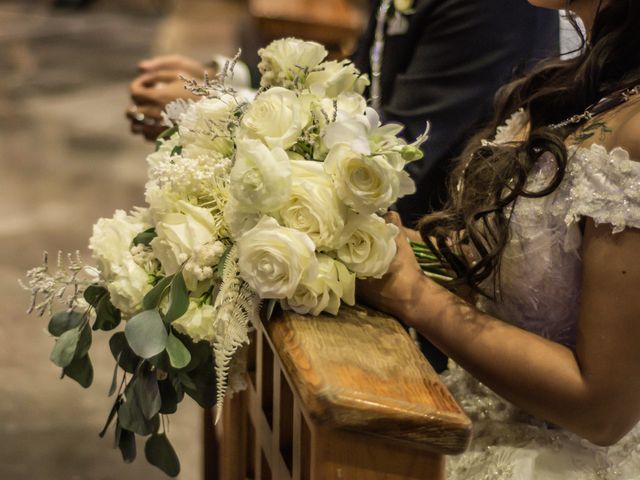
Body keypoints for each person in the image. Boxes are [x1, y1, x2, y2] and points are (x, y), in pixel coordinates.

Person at [127, 1, 559, 373]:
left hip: (437, 282)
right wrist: (225, 89)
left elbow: (402, 146)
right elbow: (368, 93)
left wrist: (224, 112)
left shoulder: (499, 7)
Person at [359, 0, 640, 477]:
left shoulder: (634, 133)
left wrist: (414, 297)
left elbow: (603, 411)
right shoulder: (574, 86)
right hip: (466, 413)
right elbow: (509, 288)